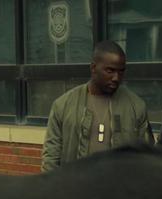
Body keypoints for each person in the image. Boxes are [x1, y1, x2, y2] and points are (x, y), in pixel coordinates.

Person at [41, 41, 154, 172]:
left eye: (121, 71)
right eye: (110, 70)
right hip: (75, 188)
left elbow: (147, 157)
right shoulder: (63, 105)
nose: (116, 78)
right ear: (93, 67)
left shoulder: (136, 106)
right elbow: (51, 158)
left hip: (119, 189)